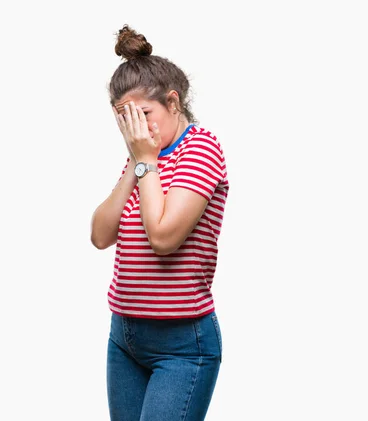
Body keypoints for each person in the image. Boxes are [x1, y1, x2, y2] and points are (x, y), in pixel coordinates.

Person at [90, 24, 229, 421]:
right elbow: (101, 234)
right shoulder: (146, 158)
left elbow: (163, 237)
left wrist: (144, 160)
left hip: (182, 345)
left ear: (173, 102)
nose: (137, 130)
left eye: (144, 115)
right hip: (124, 338)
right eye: (126, 120)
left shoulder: (201, 147)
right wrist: (139, 162)